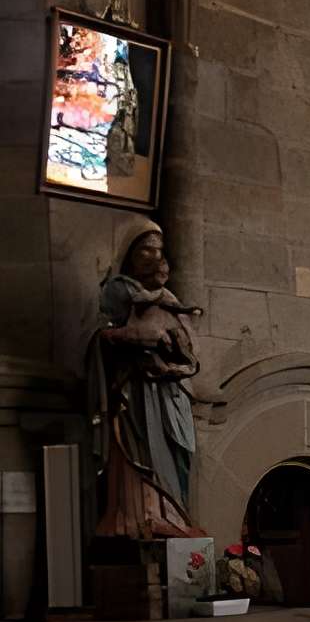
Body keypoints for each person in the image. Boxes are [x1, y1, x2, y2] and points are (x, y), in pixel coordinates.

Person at [86, 221, 203, 537]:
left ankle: (175, 515)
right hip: (135, 392)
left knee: (178, 451)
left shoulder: (169, 296)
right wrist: (131, 335)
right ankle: (141, 516)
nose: (153, 257)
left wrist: (179, 348)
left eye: (159, 250)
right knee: (143, 450)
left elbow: (190, 346)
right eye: (145, 250)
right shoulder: (117, 290)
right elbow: (98, 334)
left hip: (169, 391)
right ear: (130, 254)